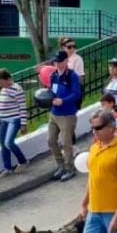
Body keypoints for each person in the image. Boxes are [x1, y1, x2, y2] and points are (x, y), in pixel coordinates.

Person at [47, 51, 83, 182]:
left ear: (65, 62)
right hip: (54, 113)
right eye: (55, 62)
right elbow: (51, 90)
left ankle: (69, 168)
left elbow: (76, 94)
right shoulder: (54, 75)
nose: (57, 64)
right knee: (51, 140)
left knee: (65, 142)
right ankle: (60, 165)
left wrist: (63, 101)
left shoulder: (71, 76)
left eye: (59, 61)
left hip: (67, 114)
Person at [0, 68, 29, 179]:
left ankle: (22, 161)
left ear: (8, 79)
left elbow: (22, 107)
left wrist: (23, 124)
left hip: (14, 119)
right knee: (3, 144)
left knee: (9, 143)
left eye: (1, 82)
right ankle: (7, 168)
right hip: (3, 120)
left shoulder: (17, 89)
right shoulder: (4, 89)